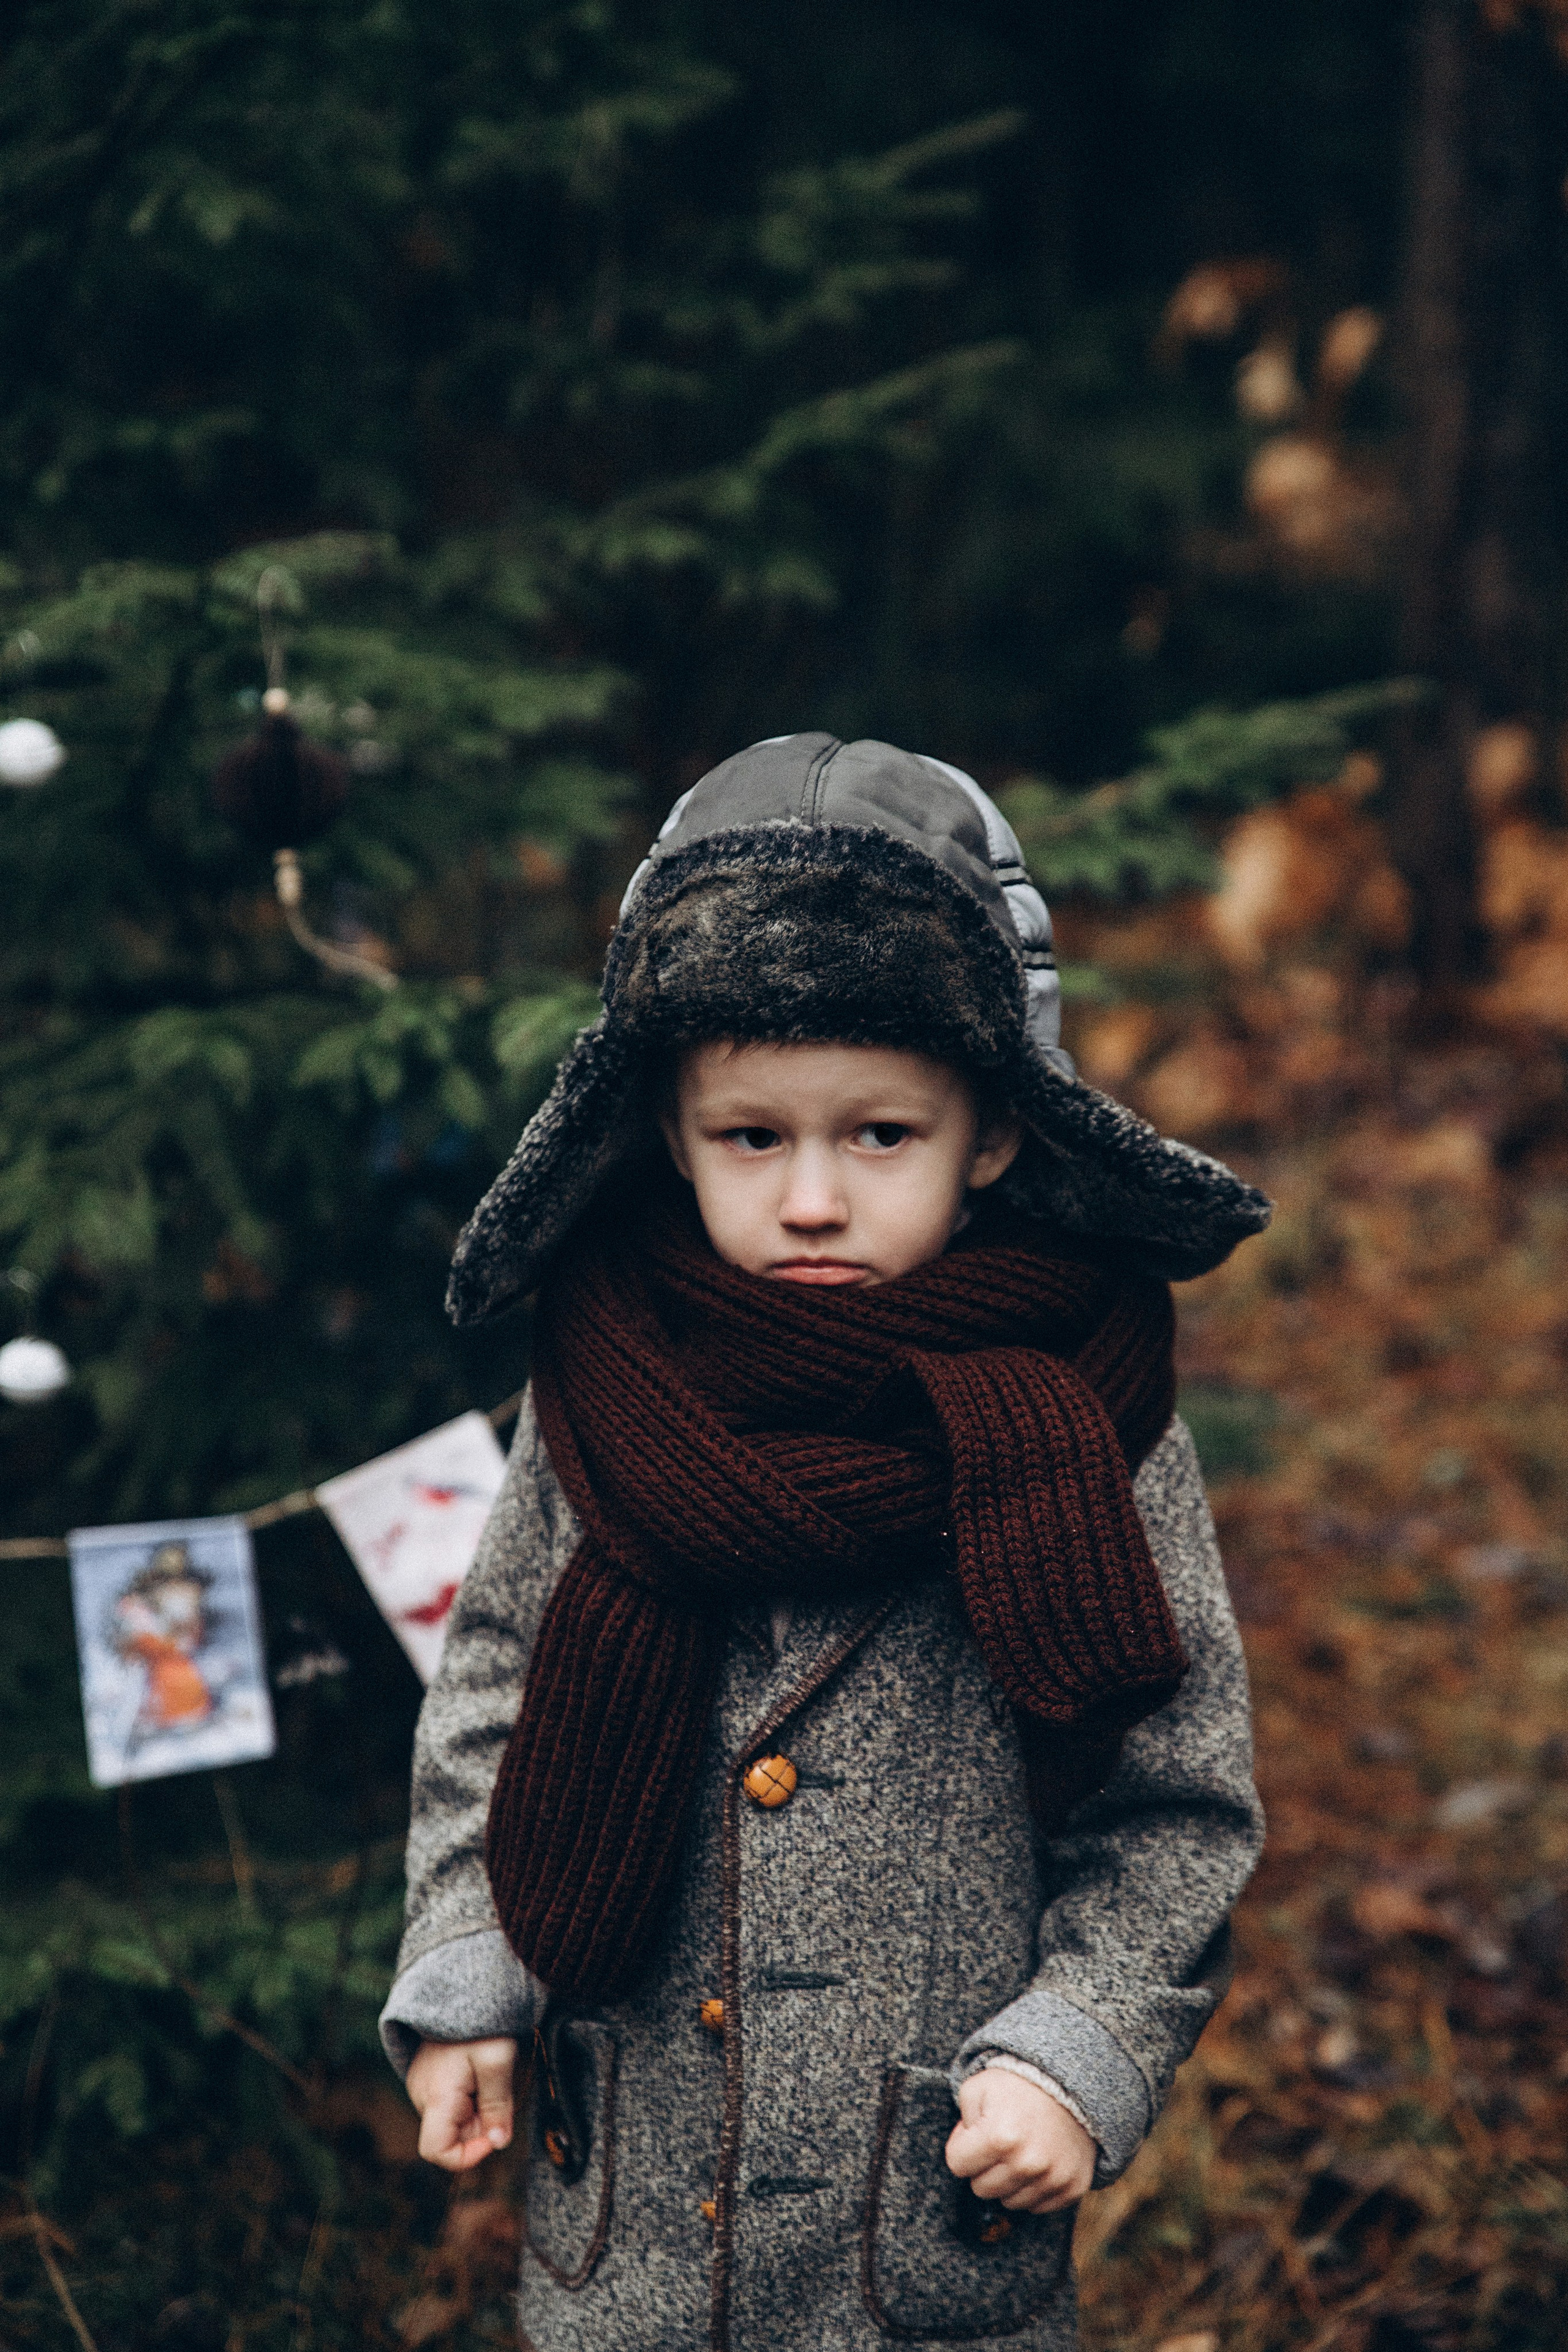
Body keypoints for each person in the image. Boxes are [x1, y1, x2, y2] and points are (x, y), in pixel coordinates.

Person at [380, 733, 1269, 2352]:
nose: (809, 1199)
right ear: (666, 1131)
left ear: (990, 1136)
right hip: (626, 2225)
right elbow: (493, 1694)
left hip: (917, 2239)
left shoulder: (1084, 1411)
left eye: (878, 1137)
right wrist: (468, 1965)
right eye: (752, 1137)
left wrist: (1078, 2043)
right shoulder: (603, 1371)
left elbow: (1176, 1798)